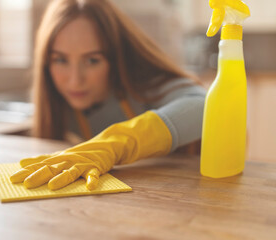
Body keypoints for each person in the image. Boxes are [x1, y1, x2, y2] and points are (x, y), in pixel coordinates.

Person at [10, 0, 206, 191]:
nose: (75, 81)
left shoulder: (146, 84)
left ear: (117, 57)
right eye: (60, 60)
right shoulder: (57, 101)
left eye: (93, 60)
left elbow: (203, 105)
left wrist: (116, 144)